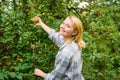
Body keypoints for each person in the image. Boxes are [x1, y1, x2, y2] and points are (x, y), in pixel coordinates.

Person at [33, 15, 86, 80]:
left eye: (68, 26)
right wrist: (41, 24)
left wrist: (42, 74)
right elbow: (55, 36)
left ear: (74, 32)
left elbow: (56, 78)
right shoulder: (73, 43)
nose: (62, 26)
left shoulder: (65, 52)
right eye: (63, 23)